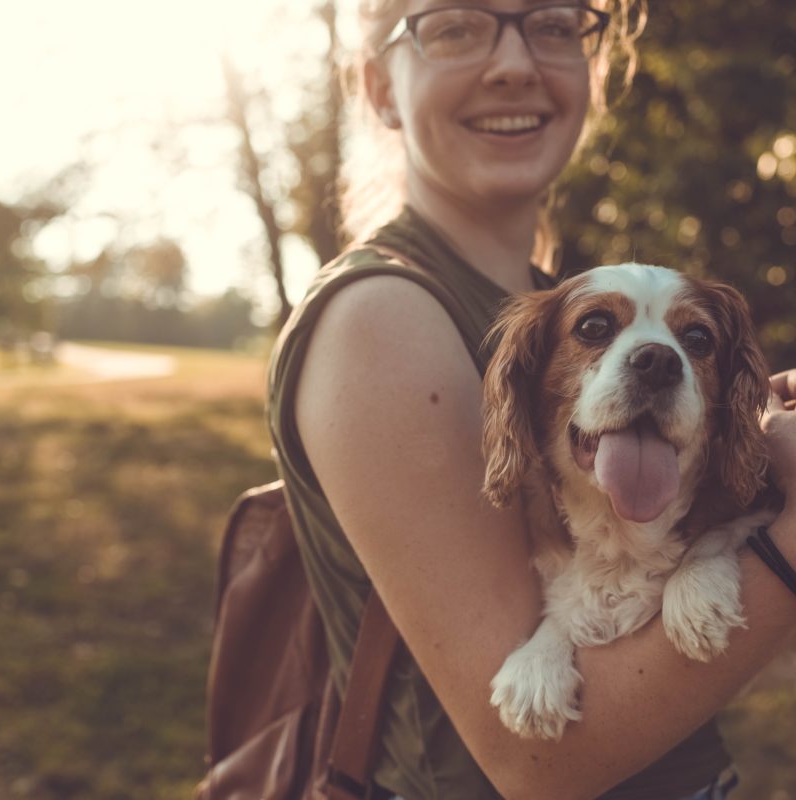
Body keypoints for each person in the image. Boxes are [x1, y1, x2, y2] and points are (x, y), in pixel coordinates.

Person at [267, 2, 796, 798]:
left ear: (594, 71)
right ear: (378, 86)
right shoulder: (383, 316)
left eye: (551, 23)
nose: (514, 62)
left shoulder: (556, 300)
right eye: (453, 25)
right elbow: (536, 765)